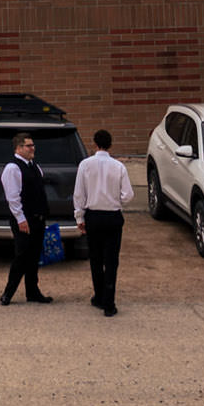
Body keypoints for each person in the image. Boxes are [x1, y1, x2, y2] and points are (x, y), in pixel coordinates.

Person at [72, 127, 133, 316]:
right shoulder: (118, 166)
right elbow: (128, 195)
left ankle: (98, 296)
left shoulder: (85, 165)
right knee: (112, 260)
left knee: (96, 259)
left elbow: (79, 193)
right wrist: (117, 200)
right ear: (110, 145)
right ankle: (109, 303)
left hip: (93, 216)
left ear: (95, 144)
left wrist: (79, 216)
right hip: (113, 216)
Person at [0, 131, 53, 305]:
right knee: (21, 256)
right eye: (29, 145)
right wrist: (21, 219)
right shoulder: (12, 168)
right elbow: (13, 197)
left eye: (33, 145)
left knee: (35, 256)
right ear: (18, 148)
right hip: (24, 220)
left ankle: (33, 291)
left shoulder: (34, 166)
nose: (32, 148)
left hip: (38, 219)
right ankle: (8, 293)